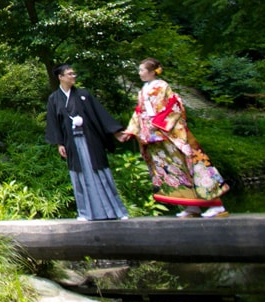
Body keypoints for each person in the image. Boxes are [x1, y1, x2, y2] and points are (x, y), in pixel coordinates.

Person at [119, 58, 229, 218]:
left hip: (168, 134)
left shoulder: (162, 86)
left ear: (152, 72)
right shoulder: (142, 90)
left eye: (142, 70)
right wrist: (130, 130)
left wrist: (158, 123)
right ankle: (191, 206)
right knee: (172, 170)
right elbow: (139, 111)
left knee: (189, 166)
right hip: (152, 135)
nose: (139, 73)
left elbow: (174, 106)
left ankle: (216, 205)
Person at [45, 64, 130, 221]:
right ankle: (85, 212)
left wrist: (116, 132)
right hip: (72, 143)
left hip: (91, 140)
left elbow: (100, 115)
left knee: (100, 172)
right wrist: (59, 143)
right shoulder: (54, 99)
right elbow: (54, 123)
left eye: (74, 73)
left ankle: (117, 211)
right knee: (79, 175)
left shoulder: (84, 95)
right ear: (60, 77)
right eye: (70, 74)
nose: (73, 76)